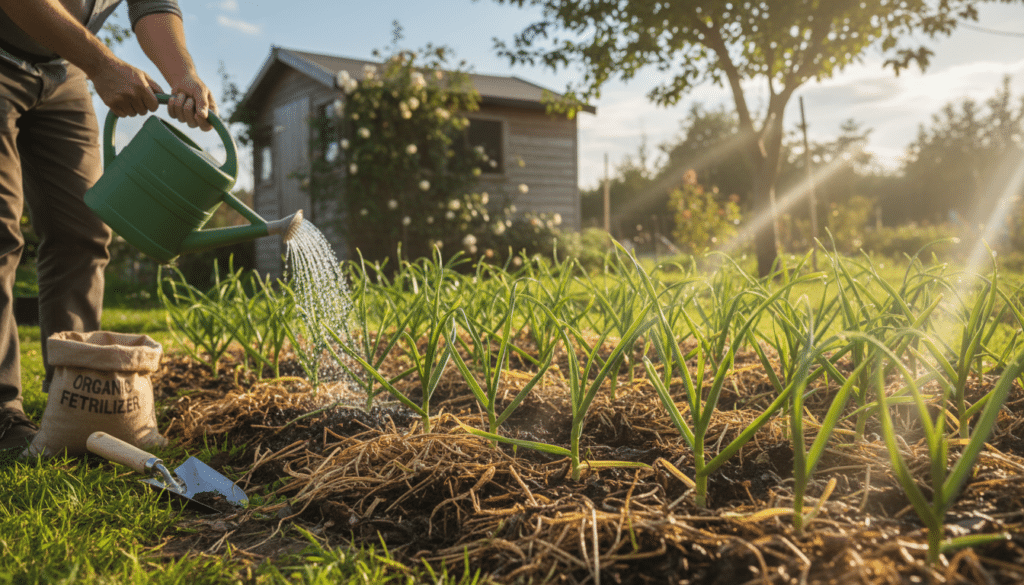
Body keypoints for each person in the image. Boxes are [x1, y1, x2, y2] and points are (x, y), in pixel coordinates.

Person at [0, 0, 216, 451]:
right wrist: (102, 63)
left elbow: (153, 5)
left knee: (84, 229)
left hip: (62, 69)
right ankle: (3, 413)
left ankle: (74, 396)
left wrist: (183, 75)